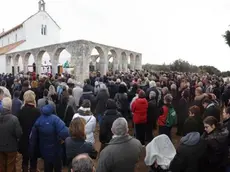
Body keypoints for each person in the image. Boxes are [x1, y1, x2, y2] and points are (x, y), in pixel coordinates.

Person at [30, 100, 69, 172]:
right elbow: (65, 132)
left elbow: (33, 137)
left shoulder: (39, 120)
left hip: (44, 149)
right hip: (56, 149)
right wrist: (60, 138)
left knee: (47, 167)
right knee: (57, 167)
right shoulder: (55, 119)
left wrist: (32, 149)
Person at [18, 90, 40, 172]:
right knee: (34, 160)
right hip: (34, 139)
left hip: (24, 139)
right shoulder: (38, 112)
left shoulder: (21, 111)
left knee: (25, 159)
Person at [0, 97, 22, 172]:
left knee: (1, 166)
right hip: (11, 147)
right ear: (10, 106)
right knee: (10, 166)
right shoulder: (14, 119)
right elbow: (19, 134)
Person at [222, 107, 230, 172]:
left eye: (224, 112)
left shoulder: (227, 125)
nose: (222, 114)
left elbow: (224, 138)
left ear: (228, 114)